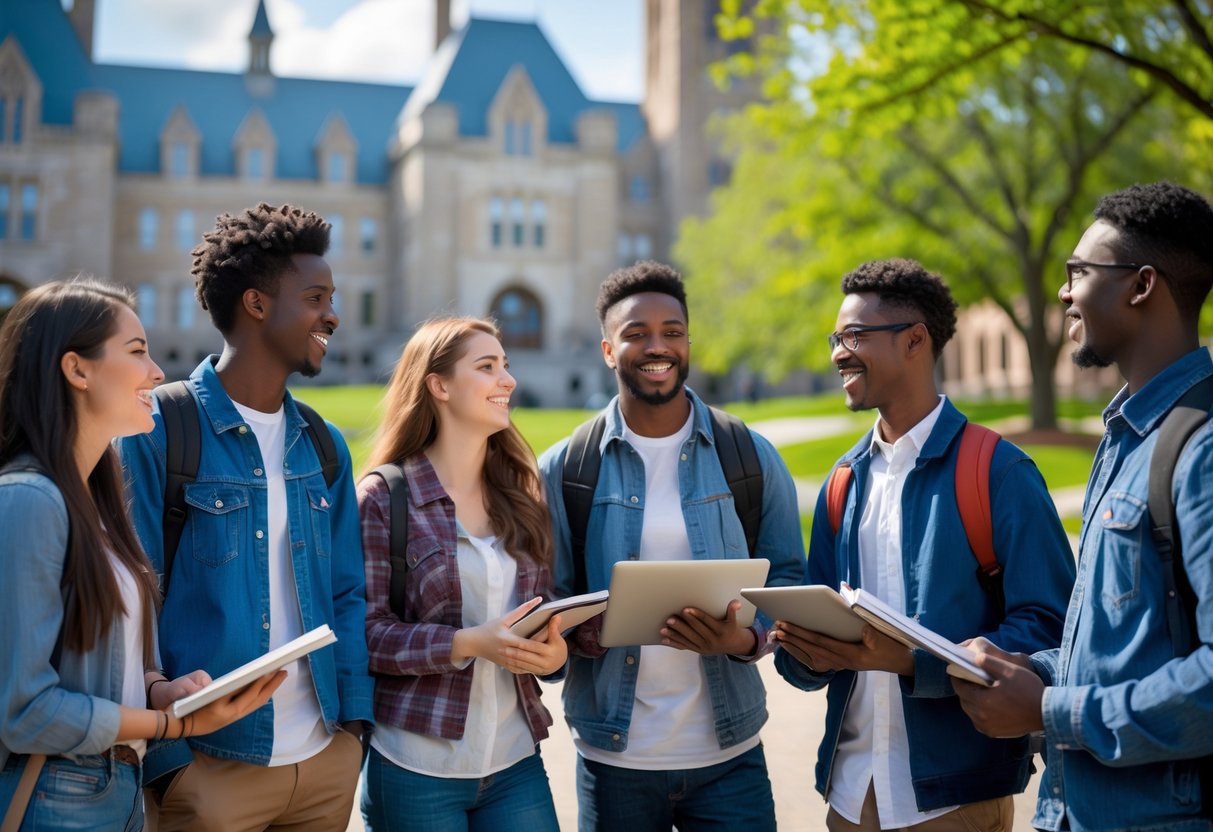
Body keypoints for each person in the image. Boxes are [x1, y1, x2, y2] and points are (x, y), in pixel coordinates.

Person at [770, 258, 1076, 832]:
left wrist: (917, 663)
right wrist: (800, 650)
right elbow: (817, 647)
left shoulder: (998, 472)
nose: (839, 352)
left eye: (855, 335)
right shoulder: (843, 481)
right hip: (850, 795)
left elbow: (1052, 626)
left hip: (954, 802)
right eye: (836, 337)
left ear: (915, 341)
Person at [954, 182, 1213, 831]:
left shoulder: (1200, 448)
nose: (1064, 293)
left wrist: (1048, 710)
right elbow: (1126, 645)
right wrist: (1025, 670)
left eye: (1078, 272)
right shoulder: (1126, 437)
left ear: (1140, 285)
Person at [120, 203, 373, 831]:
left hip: (323, 761)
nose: (332, 314)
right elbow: (131, 600)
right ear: (257, 305)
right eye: (316, 297)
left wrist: (354, 733)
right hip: (207, 768)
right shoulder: (157, 432)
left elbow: (346, 592)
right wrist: (170, 762)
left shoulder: (322, 443)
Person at [0, 278, 283, 832]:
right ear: (77, 370)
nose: (157, 372)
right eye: (137, 353)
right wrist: (169, 725)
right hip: (58, 795)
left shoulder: (99, 505)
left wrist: (160, 687)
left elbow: (98, 663)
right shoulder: (29, 501)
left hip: (118, 789)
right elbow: (25, 711)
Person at [537, 261, 805, 832]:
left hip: (729, 758)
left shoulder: (750, 456)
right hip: (614, 761)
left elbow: (786, 585)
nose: (656, 346)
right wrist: (579, 631)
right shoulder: (564, 469)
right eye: (635, 334)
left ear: (688, 342)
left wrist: (744, 640)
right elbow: (546, 598)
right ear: (609, 350)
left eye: (672, 332)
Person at [357, 316, 567, 831]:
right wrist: (468, 642)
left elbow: (541, 613)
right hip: (416, 766)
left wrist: (553, 653)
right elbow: (365, 635)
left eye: (507, 366)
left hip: (515, 759)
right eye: (488, 366)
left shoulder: (521, 496)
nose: (508, 380)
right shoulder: (384, 499)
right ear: (440, 385)